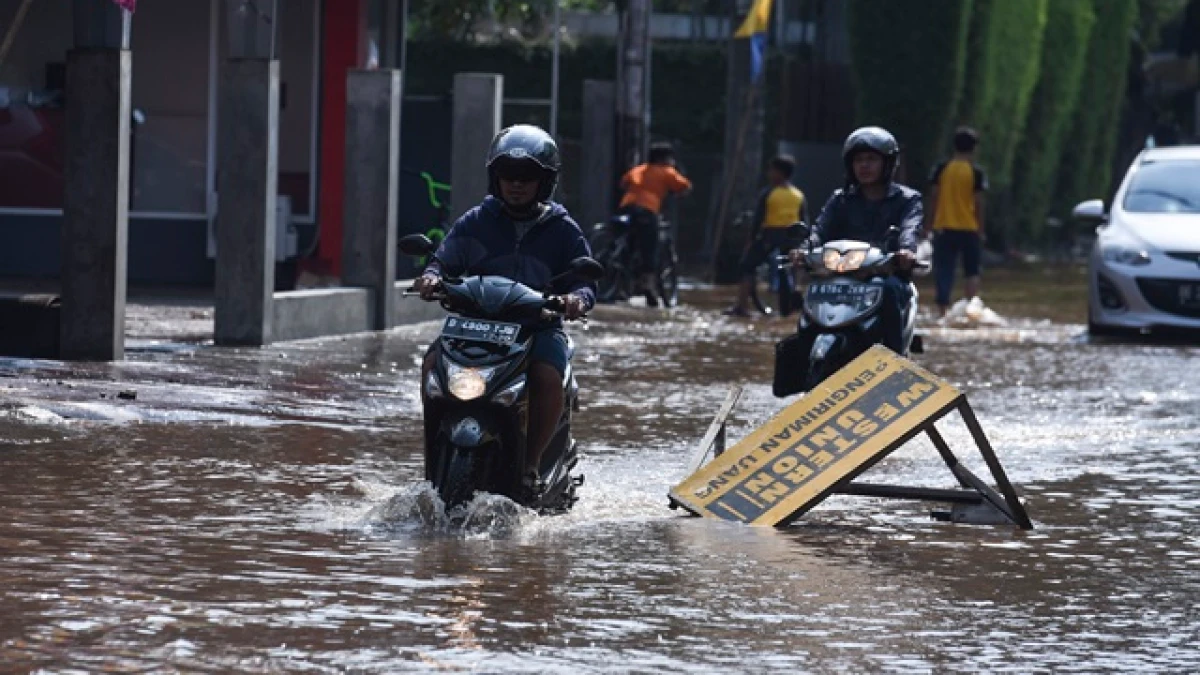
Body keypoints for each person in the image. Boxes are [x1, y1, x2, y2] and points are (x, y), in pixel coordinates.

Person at [413, 124, 596, 495]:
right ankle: (431, 462)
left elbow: (585, 278)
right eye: (508, 175)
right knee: (432, 363)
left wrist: (577, 299)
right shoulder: (476, 221)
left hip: (537, 328)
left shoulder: (562, 228)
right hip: (473, 327)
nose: (516, 184)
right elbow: (443, 259)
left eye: (526, 177)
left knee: (547, 374)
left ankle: (530, 466)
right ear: (495, 179)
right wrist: (431, 277)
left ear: (544, 181)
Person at [791, 126, 921, 353]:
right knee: (814, 290)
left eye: (871, 159)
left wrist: (906, 252)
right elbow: (820, 229)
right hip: (840, 275)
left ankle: (894, 365)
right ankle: (799, 365)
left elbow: (910, 229)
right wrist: (803, 249)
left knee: (889, 289)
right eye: (859, 160)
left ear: (887, 163)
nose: (864, 166)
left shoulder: (908, 200)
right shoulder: (840, 200)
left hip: (886, 275)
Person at [725, 154, 809, 317]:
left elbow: (758, 218)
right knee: (787, 270)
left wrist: (750, 240)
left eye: (772, 170)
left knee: (747, 266)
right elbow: (804, 219)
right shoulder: (798, 194)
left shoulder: (769, 192)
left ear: (780, 172)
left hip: (770, 235)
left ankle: (742, 306)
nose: (769, 174)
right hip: (791, 238)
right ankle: (787, 310)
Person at [617, 142, 693, 306]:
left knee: (629, 243)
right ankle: (648, 285)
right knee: (649, 249)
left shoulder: (639, 169)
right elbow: (685, 186)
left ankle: (623, 280)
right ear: (664, 158)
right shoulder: (666, 171)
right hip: (647, 209)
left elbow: (623, 182)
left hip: (627, 207)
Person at [923, 126, 987, 319]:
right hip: (969, 228)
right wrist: (981, 228)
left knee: (943, 270)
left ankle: (942, 312)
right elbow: (978, 202)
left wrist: (928, 224)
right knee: (972, 271)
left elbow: (933, 197)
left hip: (943, 227)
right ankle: (970, 311)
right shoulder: (975, 172)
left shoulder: (942, 169)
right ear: (974, 148)